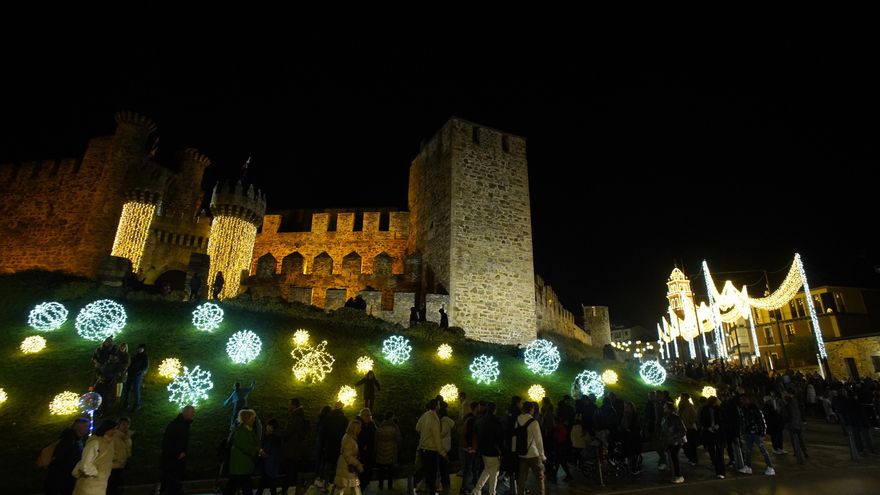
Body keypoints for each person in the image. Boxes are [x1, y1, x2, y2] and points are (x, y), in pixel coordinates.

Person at [72, 419, 118, 495]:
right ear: (106, 429)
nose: (115, 431)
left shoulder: (109, 443)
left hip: (100, 484)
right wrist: (96, 473)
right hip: (89, 485)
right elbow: (85, 464)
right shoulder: (95, 442)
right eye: (113, 429)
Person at [45, 417, 89, 495]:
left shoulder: (76, 439)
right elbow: (61, 458)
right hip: (62, 477)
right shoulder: (69, 439)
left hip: (63, 476)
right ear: (79, 427)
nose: (87, 429)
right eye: (86, 426)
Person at [224, 409, 262, 495]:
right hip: (240, 464)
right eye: (252, 418)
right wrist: (256, 450)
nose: (254, 420)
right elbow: (245, 446)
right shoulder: (241, 431)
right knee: (241, 484)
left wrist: (258, 449)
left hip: (243, 465)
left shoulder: (248, 429)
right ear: (247, 419)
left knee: (236, 484)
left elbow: (255, 442)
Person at [413, 399, 446, 495]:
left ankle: (418, 484)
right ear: (436, 406)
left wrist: (424, 434)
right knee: (432, 472)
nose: (439, 406)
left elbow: (417, 427)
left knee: (424, 469)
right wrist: (442, 452)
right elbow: (437, 436)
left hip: (423, 447)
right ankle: (432, 490)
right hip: (431, 449)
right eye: (438, 404)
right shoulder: (434, 418)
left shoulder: (425, 415)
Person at [160, 405, 195, 495]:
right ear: (185, 412)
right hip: (173, 460)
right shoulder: (177, 425)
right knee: (172, 483)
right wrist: (178, 453)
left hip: (176, 459)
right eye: (192, 412)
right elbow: (168, 442)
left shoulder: (182, 424)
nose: (194, 414)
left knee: (173, 482)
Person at [472, 402, 504, 495]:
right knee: (494, 473)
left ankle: (477, 490)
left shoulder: (481, 420)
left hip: (483, 450)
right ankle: (491, 492)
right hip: (494, 451)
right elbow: (500, 438)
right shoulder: (496, 421)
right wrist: (502, 451)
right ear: (495, 410)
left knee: (487, 470)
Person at [515, 401, 545, 495]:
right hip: (533, 454)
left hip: (521, 453)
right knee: (539, 477)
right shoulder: (534, 422)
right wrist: (542, 455)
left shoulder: (518, 420)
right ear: (532, 409)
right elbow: (538, 440)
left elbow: (515, 436)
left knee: (522, 478)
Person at [280, 398, 308, 495]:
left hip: (293, 448)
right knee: (292, 470)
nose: (288, 406)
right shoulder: (298, 415)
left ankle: (286, 490)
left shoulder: (297, 417)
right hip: (295, 448)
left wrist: (275, 432)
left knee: (290, 470)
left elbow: (288, 431)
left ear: (294, 405)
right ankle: (289, 489)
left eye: (289, 404)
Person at [334, 421, 364, 495]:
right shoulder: (349, 440)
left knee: (347, 486)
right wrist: (358, 464)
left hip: (346, 466)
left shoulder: (349, 437)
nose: (360, 429)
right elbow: (348, 456)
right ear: (355, 429)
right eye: (359, 428)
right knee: (346, 486)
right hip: (346, 467)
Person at [660, 401, 686, 484]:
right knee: (672, 458)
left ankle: (678, 475)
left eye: (665, 407)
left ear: (669, 409)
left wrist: (674, 436)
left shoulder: (675, 418)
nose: (663, 408)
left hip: (675, 442)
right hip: (669, 441)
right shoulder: (665, 417)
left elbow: (683, 430)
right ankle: (675, 475)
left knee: (674, 458)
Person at [374, 411, 401, 490]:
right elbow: (398, 439)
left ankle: (380, 485)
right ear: (391, 417)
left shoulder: (380, 426)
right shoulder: (394, 427)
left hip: (381, 450)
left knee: (381, 469)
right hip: (392, 450)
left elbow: (376, 439)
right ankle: (390, 485)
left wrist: (376, 450)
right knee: (390, 469)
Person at [258, 418, 284, 495]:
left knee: (265, 485)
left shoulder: (272, 438)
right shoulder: (274, 438)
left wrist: (263, 453)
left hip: (269, 465)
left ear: (271, 427)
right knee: (271, 486)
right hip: (271, 466)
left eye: (268, 426)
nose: (267, 427)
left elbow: (269, 451)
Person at [107, 417, 133, 495]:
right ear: (118, 425)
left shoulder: (127, 437)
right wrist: (115, 458)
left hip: (122, 466)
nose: (126, 426)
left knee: (119, 488)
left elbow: (128, 450)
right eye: (123, 424)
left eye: (127, 424)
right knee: (112, 488)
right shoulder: (113, 436)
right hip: (113, 467)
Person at [122, 344, 148, 411]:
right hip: (130, 374)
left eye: (141, 348)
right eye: (139, 348)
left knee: (136, 389)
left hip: (137, 376)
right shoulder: (135, 355)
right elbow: (130, 363)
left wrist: (139, 372)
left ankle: (137, 404)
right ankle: (126, 403)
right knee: (127, 389)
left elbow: (145, 367)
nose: (139, 349)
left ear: (143, 349)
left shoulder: (145, 357)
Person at [355, 408, 377, 489]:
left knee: (367, 468)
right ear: (362, 416)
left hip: (369, 451)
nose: (368, 417)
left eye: (370, 415)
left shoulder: (371, 425)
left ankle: (365, 482)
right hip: (360, 452)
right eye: (367, 415)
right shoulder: (358, 424)